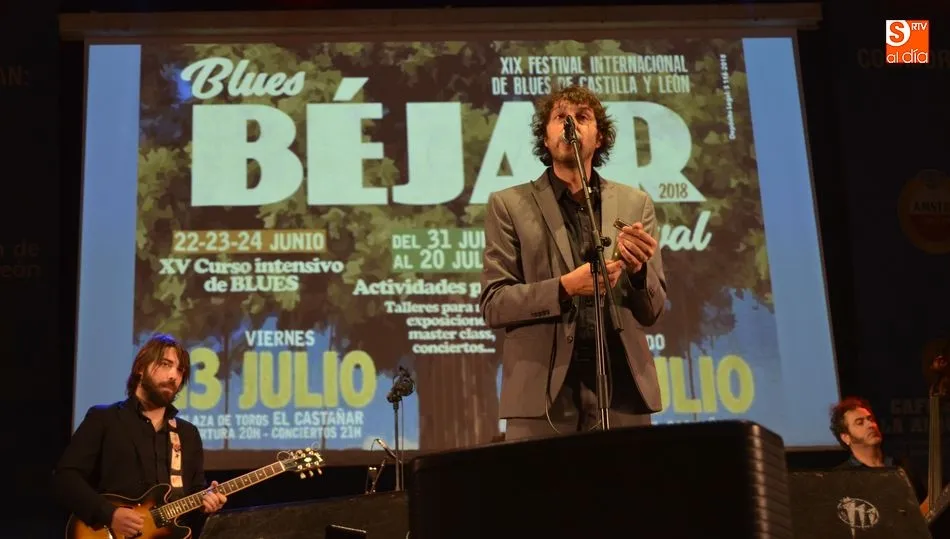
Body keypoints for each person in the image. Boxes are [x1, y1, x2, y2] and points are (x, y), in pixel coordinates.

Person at [480, 85, 667, 441]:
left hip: (621, 392)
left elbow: (653, 311)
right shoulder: (509, 205)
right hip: (541, 397)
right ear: (546, 138)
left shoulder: (635, 203)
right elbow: (494, 304)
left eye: (582, 117)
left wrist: (640, 273)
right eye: (561, 117)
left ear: (600, 138)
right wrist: (565, 288)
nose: (571, 125)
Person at [52, 334, 227, 537]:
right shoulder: (104, 419)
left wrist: (206, 504)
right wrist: (110, 514)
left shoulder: (187, 434)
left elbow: (194, 495)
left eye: (180, 370)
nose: (174, 376)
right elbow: (65, 478)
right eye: (165, 364)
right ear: (140, 368)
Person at [829, 397, 927, 505]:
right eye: (860, 423)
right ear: (846, 438)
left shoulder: (903, 466)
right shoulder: (840, 477)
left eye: (870, 419)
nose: (871, 425)